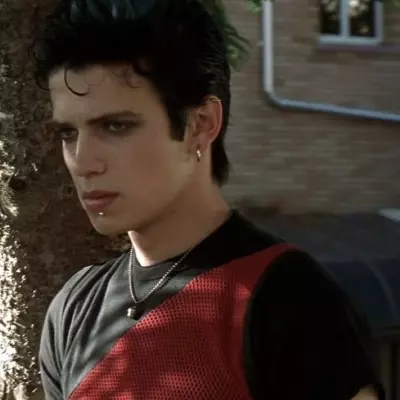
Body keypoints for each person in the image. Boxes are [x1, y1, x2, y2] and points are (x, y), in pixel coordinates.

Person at [34, 0, 384, 399]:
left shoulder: (290, 300)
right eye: (68, 133)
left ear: (200, 125)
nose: (83, 162)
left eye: (115, 126)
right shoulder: (74, 306)